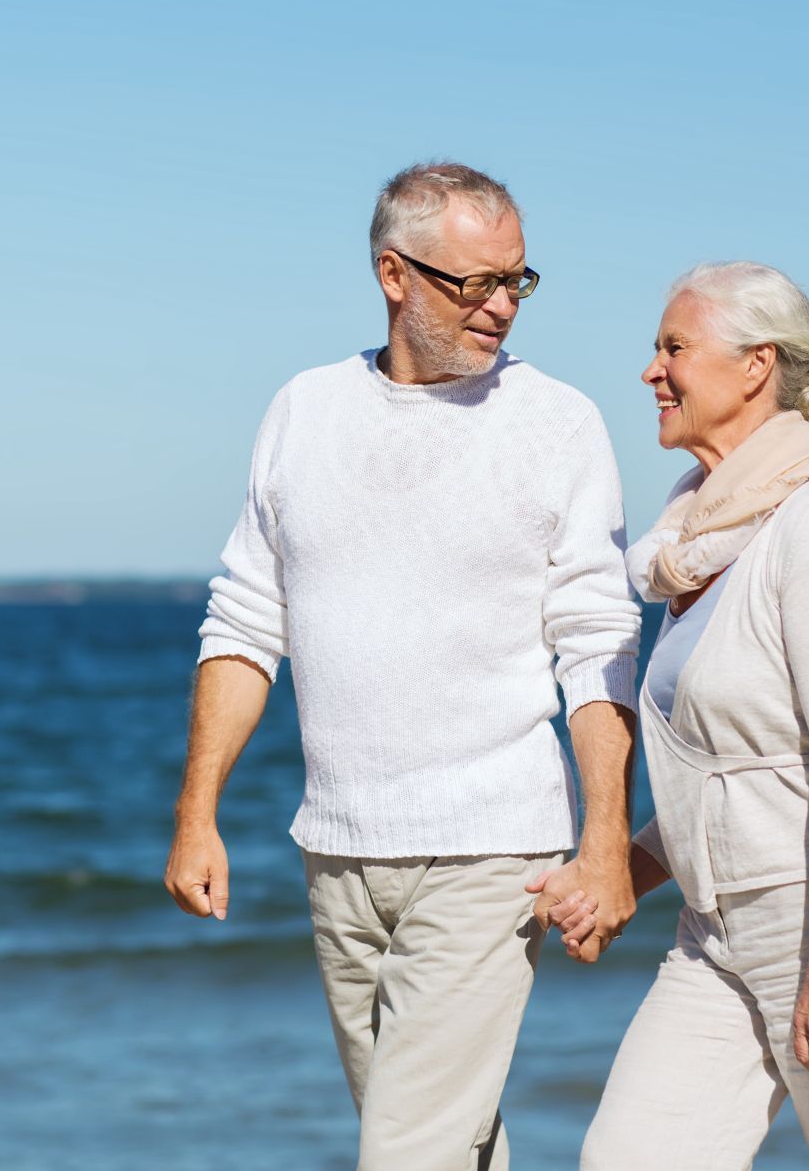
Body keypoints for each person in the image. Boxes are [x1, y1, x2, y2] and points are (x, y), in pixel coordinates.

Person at [164, 162, 643, 1170]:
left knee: (405, 1153)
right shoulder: (304, 410)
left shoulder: (558, 423)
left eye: (518, 279)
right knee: (442, 1138)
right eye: (476, 282)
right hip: (339, 849)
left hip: (492, 846)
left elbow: (597, 642)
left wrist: (605, 840)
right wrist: (197, 812)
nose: (503, 306)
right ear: (394, 272)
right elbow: (248, 617)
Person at [551, 262, 809, 1169]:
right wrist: (615, 870)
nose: (651, 372)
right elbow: (731, 782)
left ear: (753, 366)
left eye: (673, 348)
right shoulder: (695, 538)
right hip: (717, 933)